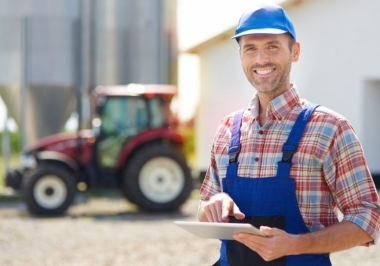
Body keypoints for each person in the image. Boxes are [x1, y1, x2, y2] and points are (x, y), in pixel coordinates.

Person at [198, 3, 380, 266]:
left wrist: (297, 244)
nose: (261, 59)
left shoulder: (330, 128)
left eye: (272, 46)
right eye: (250, 48)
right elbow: (204, 209)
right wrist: (213, 204)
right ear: (240, 56)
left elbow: (368, 219)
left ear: (295, 51)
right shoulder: (228, 128)